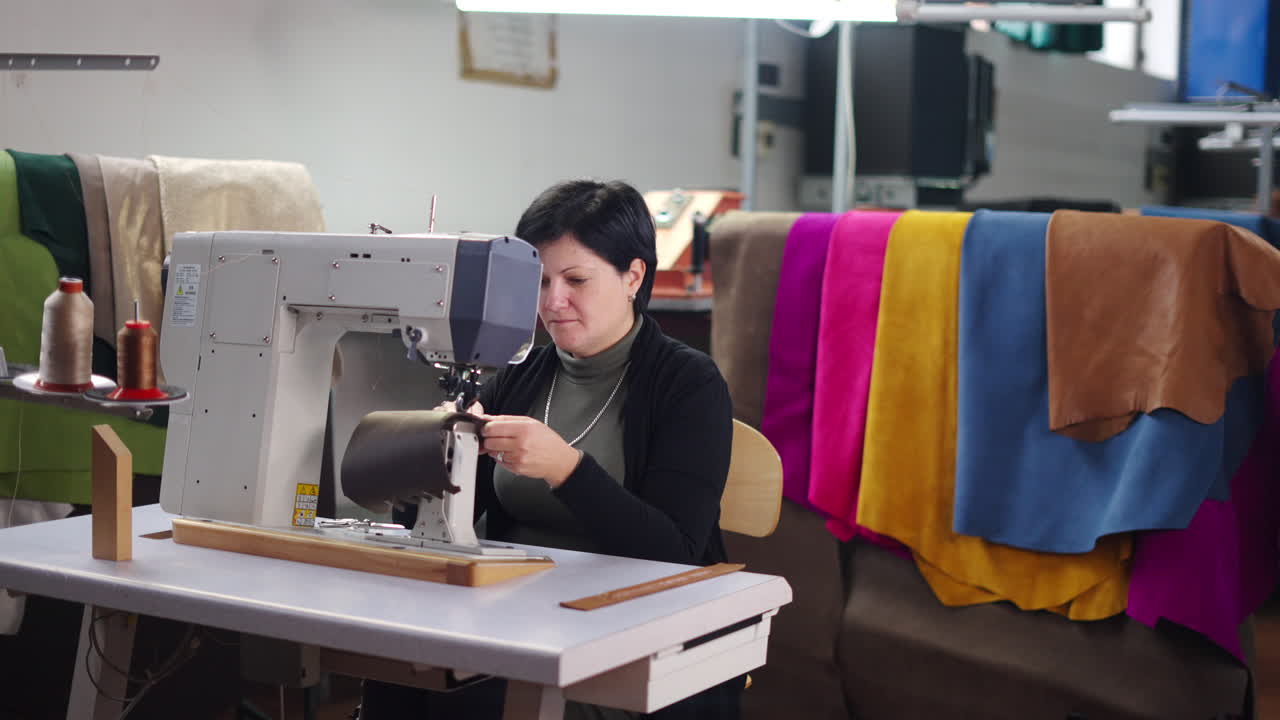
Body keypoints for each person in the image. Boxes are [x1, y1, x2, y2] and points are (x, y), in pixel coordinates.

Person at [359, 179, 740, 720]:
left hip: (632, 638)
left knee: (464, 704)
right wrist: (434, 458)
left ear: (633, 275)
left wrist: (568, 469)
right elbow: (448, 519)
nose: (551, 301)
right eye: (539, 281)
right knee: (397, 673)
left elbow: (674, 553)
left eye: (575, 280)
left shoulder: (688, 384)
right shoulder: (525, 374)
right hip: (525, 622)